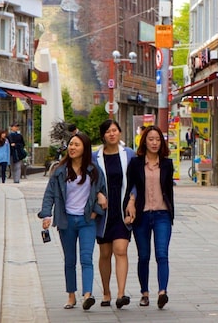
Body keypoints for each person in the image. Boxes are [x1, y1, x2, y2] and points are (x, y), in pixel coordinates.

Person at [39, 132, 108, 311]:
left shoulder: (94, 170)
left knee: (86, 258)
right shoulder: (60, 170)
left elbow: (103, 193)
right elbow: (49, 194)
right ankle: (71, 295)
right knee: (70, 260)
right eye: (71, 144)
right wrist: (46, 215)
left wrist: (95, 212)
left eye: (77, 145)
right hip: (66, 221)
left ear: (85, 148)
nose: (72, 148)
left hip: (87, 221)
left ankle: (87, 295)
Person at [124, 125, 175, 309]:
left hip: (162, 214)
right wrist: (130, 204)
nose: (154, 143)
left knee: (162, 254)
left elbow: (168, 190)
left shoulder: (167, 164)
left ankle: (162, 292)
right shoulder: (135, 163)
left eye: (158, 139)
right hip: (142, 215)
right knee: (144, 256)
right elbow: (130, 187)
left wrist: (170, 213)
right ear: (144, 141)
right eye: (151, 139)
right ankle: (144, 293)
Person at [94, 119, 136, 308]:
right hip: (104, 212)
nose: (112, 134)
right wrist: (98, 194)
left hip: (122, 209)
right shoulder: (95, 157)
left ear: (119, 132)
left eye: (114, 130)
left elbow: (137, 180)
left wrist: (133, 200)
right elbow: (90, 180)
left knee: (121, 250)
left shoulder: (129, 154)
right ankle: (106, 292)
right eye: (108, 131)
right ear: (103, 135)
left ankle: (121, 293)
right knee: (105, 253)